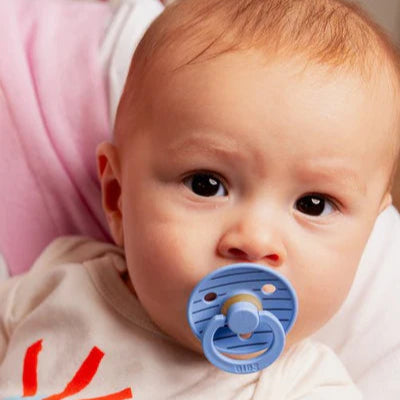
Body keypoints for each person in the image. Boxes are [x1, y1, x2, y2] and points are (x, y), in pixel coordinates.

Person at [1, 0, 399, 398]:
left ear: (368, 234)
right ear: (118, 196)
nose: (255, 240)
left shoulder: (301, 389)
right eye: (206, 185)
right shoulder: (60, 281)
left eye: (313, 204)